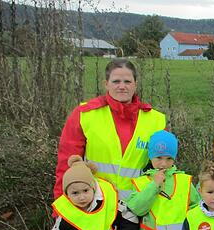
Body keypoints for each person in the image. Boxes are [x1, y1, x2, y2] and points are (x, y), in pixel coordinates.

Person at [54, 59, 166, 202]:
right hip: (95, 206)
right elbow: (66, 166)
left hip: (138, 208)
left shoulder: (155, 121)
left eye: (127, 81)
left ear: (135, 85)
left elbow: (164, 169)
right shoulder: (85, 114)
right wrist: (61, 208)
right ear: (106, 84)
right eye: (116, 81)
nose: (122, 86)